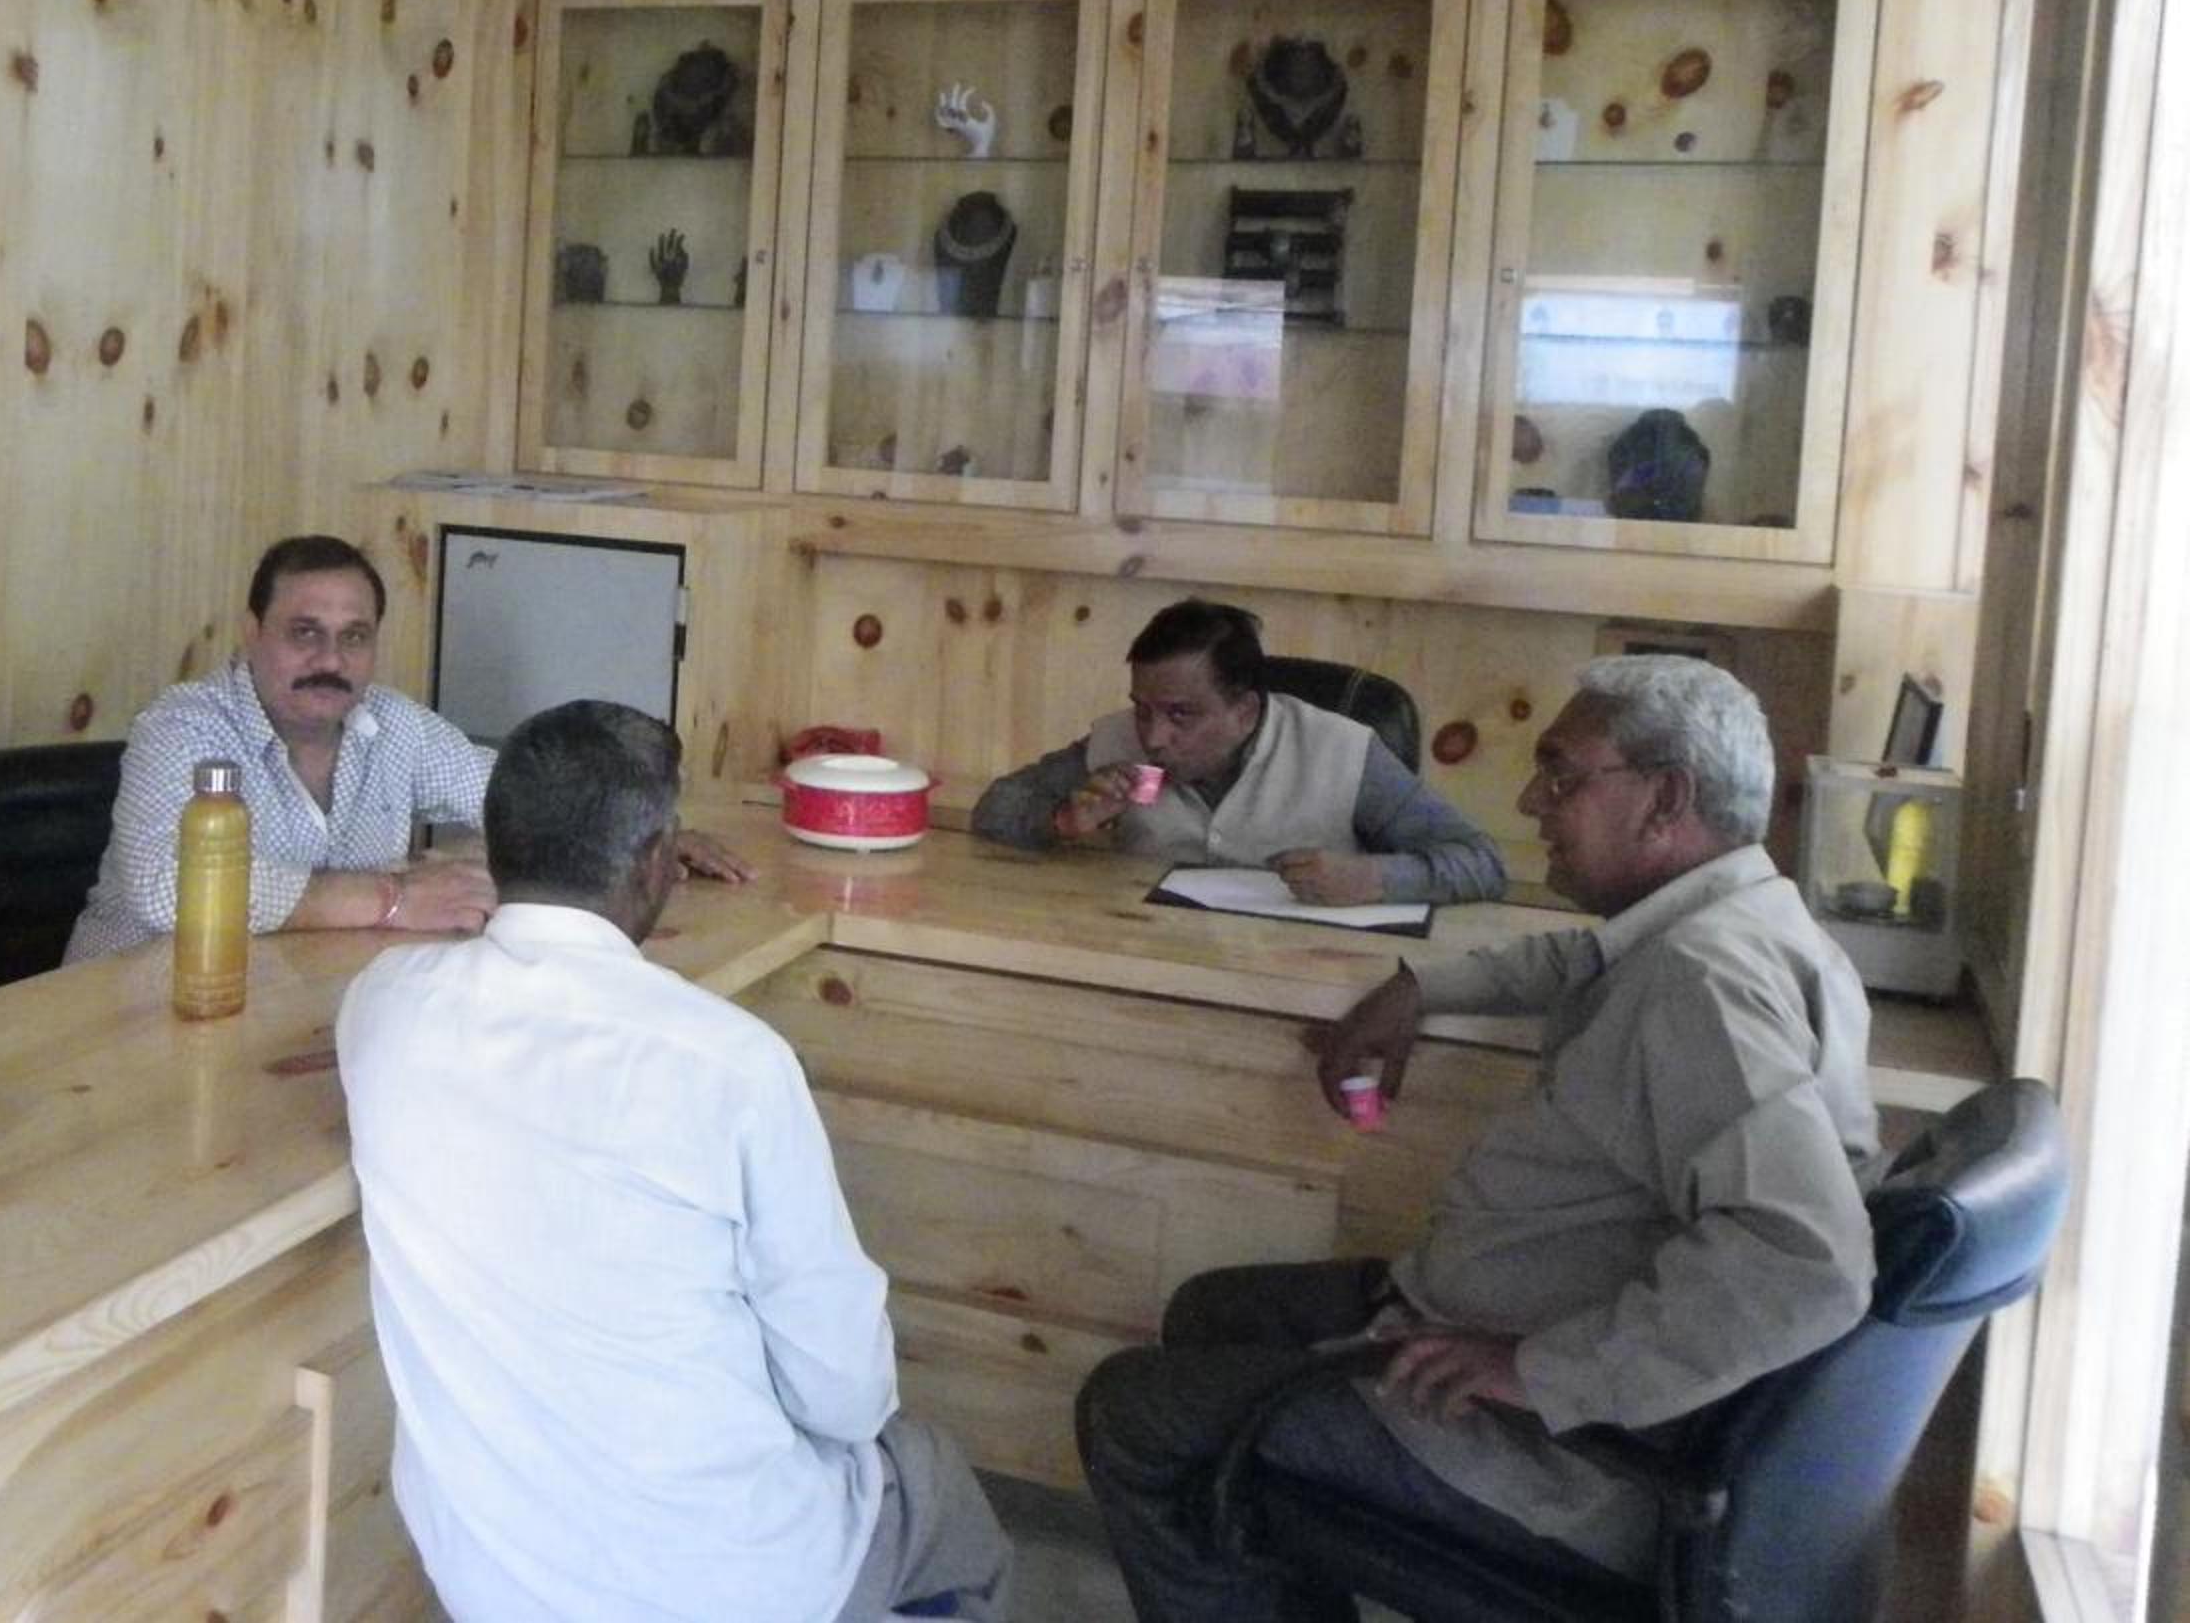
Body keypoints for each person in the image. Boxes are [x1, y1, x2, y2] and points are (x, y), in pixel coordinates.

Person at [1074, 656, 1879, 1620]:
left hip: (1553, 1449)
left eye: (1562, 775)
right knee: (1213, 1311)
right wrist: (1420, 988)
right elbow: (1577, 960)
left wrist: (1535, 1372)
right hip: (1511, 1336)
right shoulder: (1741, 923)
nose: (1533, 801)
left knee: (1132, 1410)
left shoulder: (1705, 989)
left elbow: (1807, 1263)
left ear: (1666, 799)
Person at [338, 701, 1012, 1623]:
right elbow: (847, 1397)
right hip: (734, 1583)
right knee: (937, 1486)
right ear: (657, 858)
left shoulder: (381, 1007)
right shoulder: (730, 1063)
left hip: (490, 1588)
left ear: (496, 849)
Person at [65, 534, 748, 959]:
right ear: (252, 633)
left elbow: (521, 796)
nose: (330, 660)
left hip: (289, 1002)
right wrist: (392, 900)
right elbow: (169, 887)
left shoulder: (391, 725)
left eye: (354, 637)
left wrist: (635, 829)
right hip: (122, 1017)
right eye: (305, 633)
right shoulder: (183, 727)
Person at [969, 597, 1506, 906]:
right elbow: (995, 807)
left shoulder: (1342, 751)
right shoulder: (1118, 742)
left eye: (1181, 715)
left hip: (1305, 979)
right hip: (1148, 960)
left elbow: (1481, 863)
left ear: (1245, 711)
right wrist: (1061, 820)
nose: (1154, 736)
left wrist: (1375, 879)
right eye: (1143, 709)